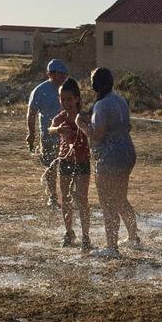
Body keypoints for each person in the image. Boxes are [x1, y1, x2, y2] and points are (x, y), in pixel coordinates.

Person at [76, 67, 139, 258]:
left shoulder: (102, 106)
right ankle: (133, 238)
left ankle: (111, 247)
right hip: (127, 152)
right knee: (121, 198)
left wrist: (81, 124)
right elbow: (127, 126)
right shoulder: (120, 100)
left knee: (107, 203)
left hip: (109, 158)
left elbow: (97, 135)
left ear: (96, 85)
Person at [47, 77, 92, 251]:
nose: (66, 103)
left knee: (82, 200)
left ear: (77, 99)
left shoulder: (85, 117)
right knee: (65, 199)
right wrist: (58, 130)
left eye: (69, 99)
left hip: (82, 162)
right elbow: (50, 128)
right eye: (62, 99)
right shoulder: (61, 118)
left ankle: (86, 236)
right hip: (65, 161)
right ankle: (69, 232)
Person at [27, 59, 67, 207]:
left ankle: (67, 195)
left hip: (66, 136)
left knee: (67, 166)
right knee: (50, 166)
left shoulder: (67, 88)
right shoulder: (40, 90)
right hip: (48, 136)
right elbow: (31, 114)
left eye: (65, 74)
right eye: (61, 74)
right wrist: (31, 134)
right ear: (51, 74)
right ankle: (53, 196)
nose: (64, 77)